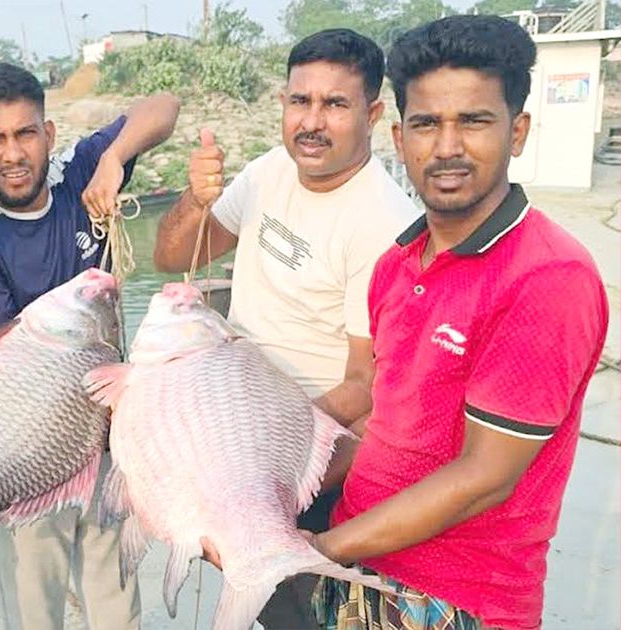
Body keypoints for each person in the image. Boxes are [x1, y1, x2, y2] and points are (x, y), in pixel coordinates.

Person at [309, 16, 610, 629]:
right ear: (400, 138)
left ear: (517, 132)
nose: (446, 147)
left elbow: (484, 478)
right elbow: (388, 427)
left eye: (473, 121)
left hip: (457, 599)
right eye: (426, 123)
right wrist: (282, 488)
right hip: (359, 567)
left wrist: (314, 550)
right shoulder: (396, 265)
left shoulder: (545, 277)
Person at [152, 29, 421, 628]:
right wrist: (196, 199)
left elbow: (365, 386)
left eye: (335, 104)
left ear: (374, 114)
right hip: (233, 432)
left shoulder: (383, 222)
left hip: (311, 462)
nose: (312, 122)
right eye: (301, 101)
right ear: (283, 102)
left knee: (300, 612)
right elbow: (171, 258)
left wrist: (265, 447)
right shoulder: (270, 170)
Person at [0, 62, 180, 630]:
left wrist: (115, 158)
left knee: (116, 600)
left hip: (106, 441)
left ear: (48, 134)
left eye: (26, 133)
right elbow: (2, 356)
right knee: (35, 606)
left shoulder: (78, 171)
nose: (13, 154)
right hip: (27, 451)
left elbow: (164, 106)